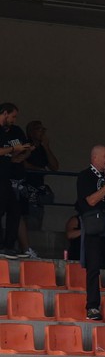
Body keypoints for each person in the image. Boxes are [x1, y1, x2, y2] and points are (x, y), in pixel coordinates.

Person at [75, 145, 105, 321]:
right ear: (94, 157)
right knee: (93, 267)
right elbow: (91, 200)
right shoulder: (85, 176)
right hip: (93, 226)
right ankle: (92, 306)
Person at [0, 104, 33, 257]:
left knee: (14, 210)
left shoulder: (7, 131)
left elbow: (7, 155)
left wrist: (20, 154)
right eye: (13, 116)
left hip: (6, 176)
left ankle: (8, 246)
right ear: (5, 113)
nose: (14, 120)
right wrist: (14, 149)